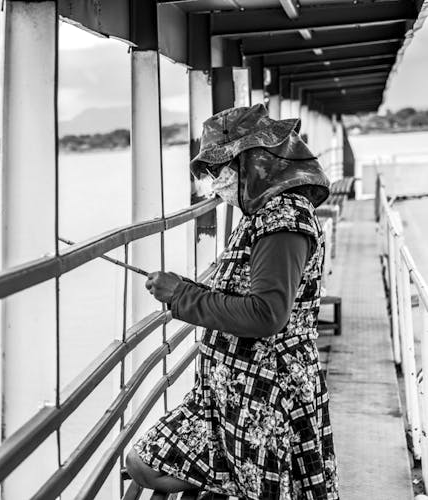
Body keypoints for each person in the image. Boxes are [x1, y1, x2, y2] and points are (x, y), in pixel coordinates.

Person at [125, 103, 338, 500]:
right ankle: (233, 481)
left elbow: (266, 315)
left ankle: (233, 483)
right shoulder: (262, 215)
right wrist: (187, 290)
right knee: (142, 461)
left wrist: (183, 297)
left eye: (220, 170)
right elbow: (249, 293)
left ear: (254, 162)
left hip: (267, 399)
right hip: (230, 398)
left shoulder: (283, 221)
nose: (214, 185)